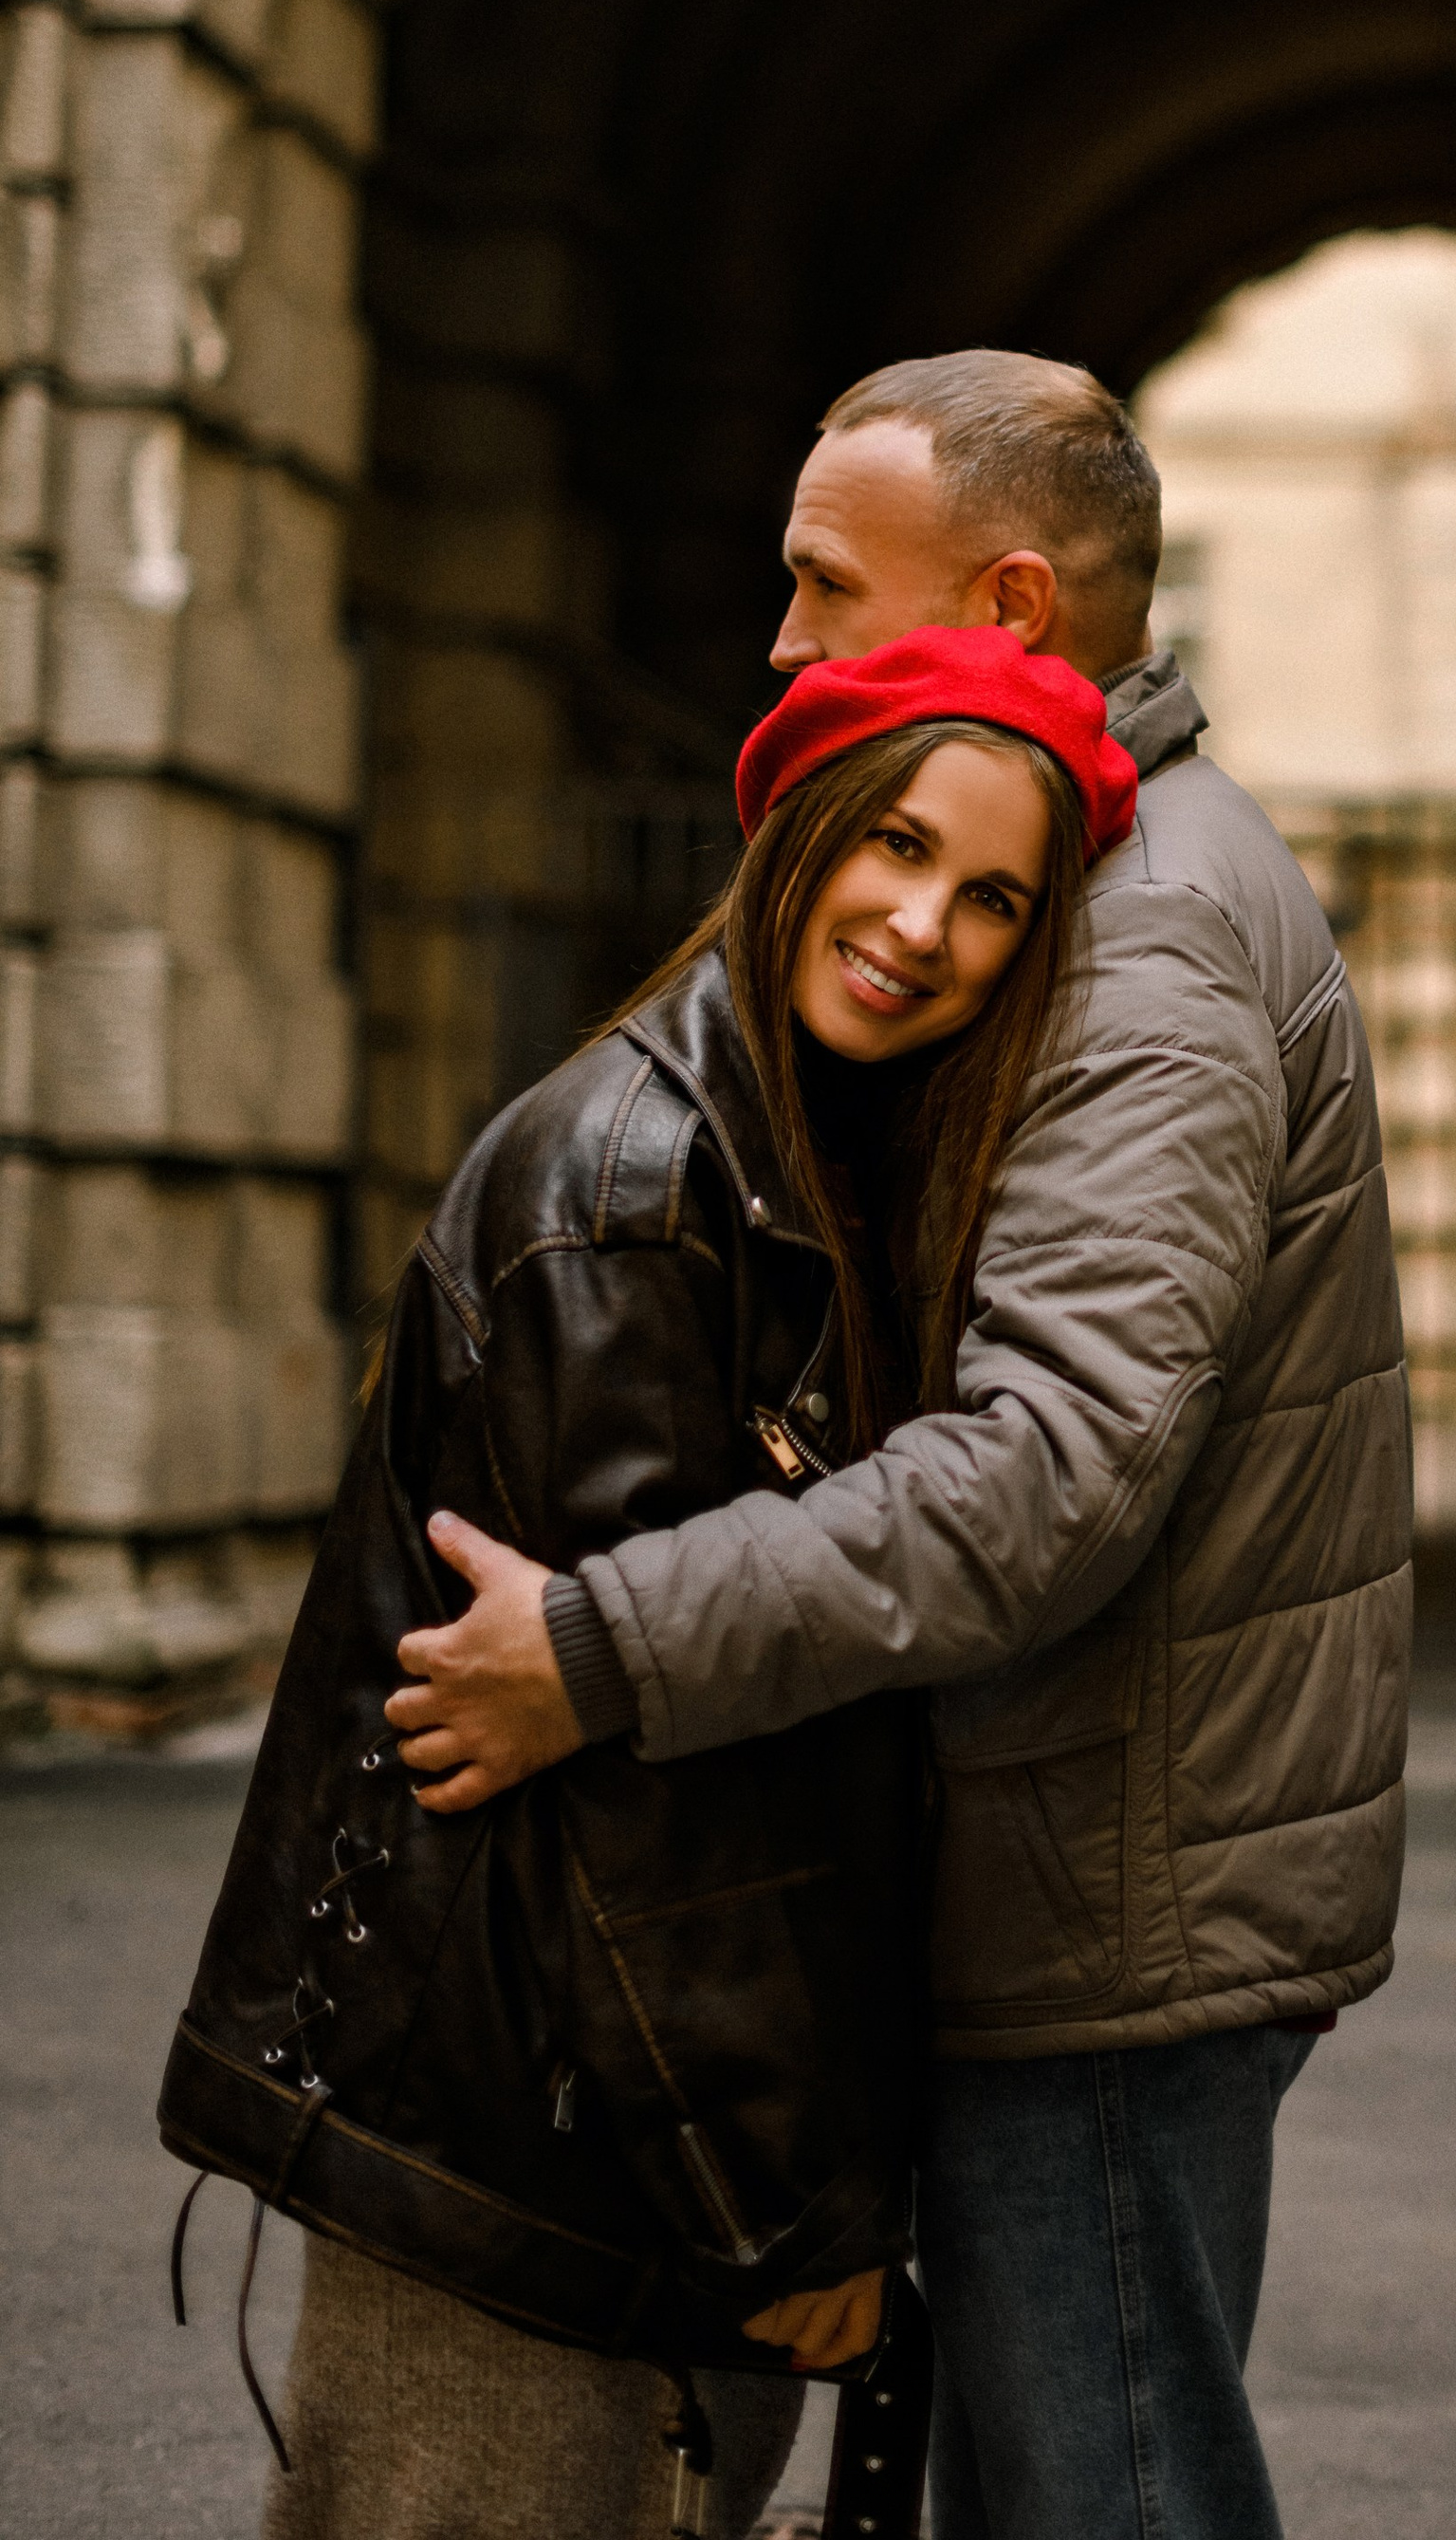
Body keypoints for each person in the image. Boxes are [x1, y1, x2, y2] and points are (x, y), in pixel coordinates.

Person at [383, 350, 1414, 2540]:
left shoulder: (1146, 947)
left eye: (822, 583)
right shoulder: (1093, 884)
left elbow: (1043, 1472)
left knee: (1100, 2494)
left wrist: (599, 1642)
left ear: (1013, 609)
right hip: (1076, 1865)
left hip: (1104, 1904)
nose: (778, 639)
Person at [157, 626, 1135, 2540]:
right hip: (531, 2171)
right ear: (798, 825)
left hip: (615, 2147)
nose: (925, 924)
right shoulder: (627, 1188)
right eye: (898, 848)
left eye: (994, 897)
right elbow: (648, 1807)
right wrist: (794, 2206)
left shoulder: (804, 1167)